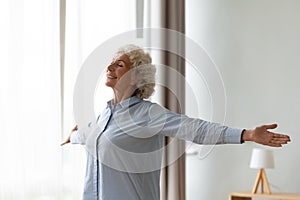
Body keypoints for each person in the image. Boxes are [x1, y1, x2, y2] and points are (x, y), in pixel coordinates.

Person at [61, 44, 290, 200]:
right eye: (110, 63)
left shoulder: (147, 115)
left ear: (138, 76)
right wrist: (74, 135)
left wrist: (247, 134)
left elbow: (195, 129)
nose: (109, 68)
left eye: (119, 65)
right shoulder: (103, 117)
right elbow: (86, 134)